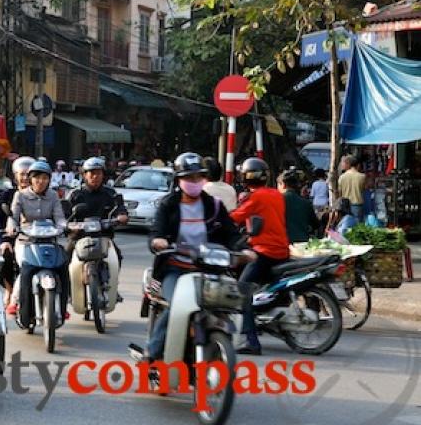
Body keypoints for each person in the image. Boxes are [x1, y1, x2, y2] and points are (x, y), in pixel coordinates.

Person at [146, 152, 252, 361]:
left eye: (198, 177)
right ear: (179, 180)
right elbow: (156, 232)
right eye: (188, 178)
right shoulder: (168, 205)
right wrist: (158, 241)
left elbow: (231, 234)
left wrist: (245, 250)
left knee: (227, 303)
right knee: (177, 305)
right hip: (175, 269)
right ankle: (153, 350)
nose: (194, 182)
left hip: (208, 270)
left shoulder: (214, 205)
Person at [230, 157, 290, 355]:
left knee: (242, 289)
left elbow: (236, 217)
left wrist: (216, 220)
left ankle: (251, 340)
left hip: (265, 252)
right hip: (282, 250)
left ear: (246, 177)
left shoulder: (254, 198)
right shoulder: (276, 194)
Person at [3, 160, 68, 326]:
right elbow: (13, 217)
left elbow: (59, 217)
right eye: (37, 178)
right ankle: (19, 305)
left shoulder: (53, 195)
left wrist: (63, 227)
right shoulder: (21, 195)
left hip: (49, 241)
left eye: (45, 178)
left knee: (62, 267)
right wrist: (12, 227)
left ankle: (62, 305)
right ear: (30, 179)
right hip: (26, 241)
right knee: (26, 269)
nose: (41, 181)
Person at [65, 157, 129, 313]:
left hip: (104, 237)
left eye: (98, 173)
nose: (94, 177)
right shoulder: (75, 195)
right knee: (65, 258)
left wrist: (122, 216)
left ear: (103, 175)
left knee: (117, 256)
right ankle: (67, 290)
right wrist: (69, 225)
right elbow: (64, 216)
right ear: (84, 175)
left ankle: (113, 286)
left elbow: (121, 210)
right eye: (91, 173)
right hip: (79, 238)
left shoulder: (111, 194)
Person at [0, 156, 34, 309]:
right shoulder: (7, 196)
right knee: (6, 254)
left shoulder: (42, 194)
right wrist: (4, 240)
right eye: (21, 174)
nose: (24, 178)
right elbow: (1, 222)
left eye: (28, 174)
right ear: (15, 176)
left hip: (37, 237)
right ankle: (10, 290)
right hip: (12, 237)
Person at [278, 170, 320, 243]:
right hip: (302, 244)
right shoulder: (306, 203)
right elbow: (315, 224)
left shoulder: (277, 200)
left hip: (282, 243)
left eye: (278, 185)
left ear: (283, 184)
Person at [339, 155, 366, 221]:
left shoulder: (342, 177)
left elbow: (340, 192)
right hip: (357, 204)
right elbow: (364, 189)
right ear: (358, 165)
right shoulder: (362, 176)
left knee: (347, 224)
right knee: (357, 226)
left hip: (345, 205)